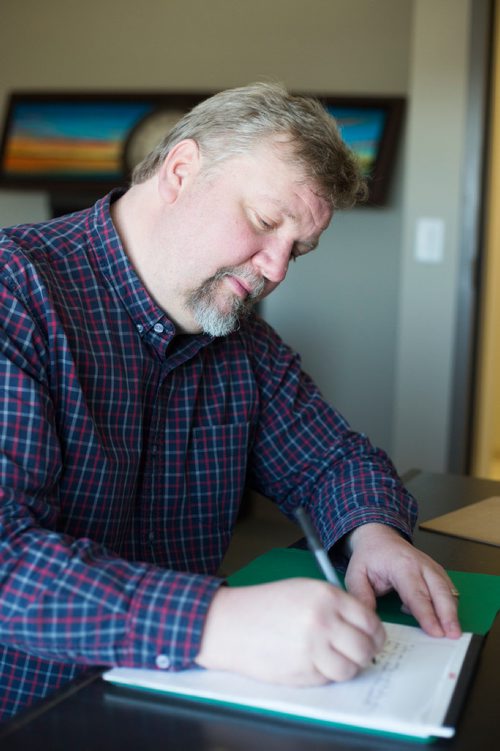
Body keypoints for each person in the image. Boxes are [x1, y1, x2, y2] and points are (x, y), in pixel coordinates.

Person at [0, 82, 460, 722]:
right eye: (266, 222)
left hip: (178, 705)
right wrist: (220, 621)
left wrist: (372, 531)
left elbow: (334, 460)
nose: (275, 269)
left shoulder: (244, 342)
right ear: (181, 172)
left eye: (296, 248)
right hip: (32, 710)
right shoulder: (15, 294)